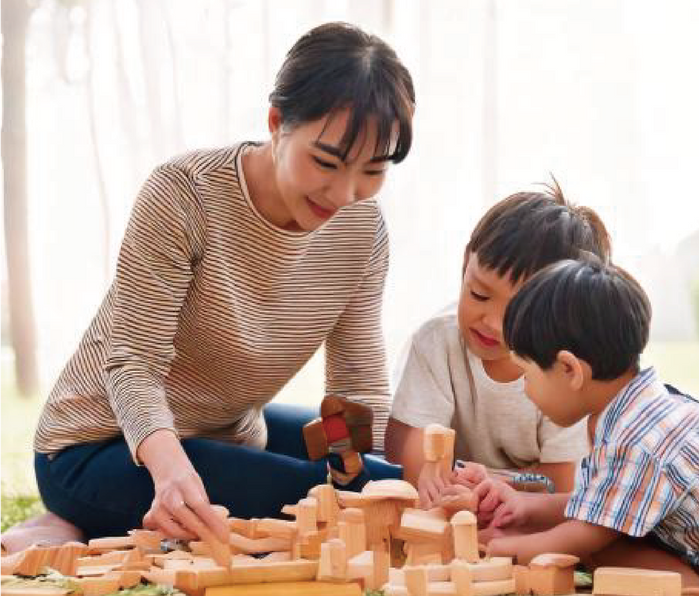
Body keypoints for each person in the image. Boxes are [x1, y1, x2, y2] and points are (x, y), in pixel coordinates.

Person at [0, 22, 415, 554]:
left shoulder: (361, 227)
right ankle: (77, 513)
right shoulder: (185, 193)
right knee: (318, 498)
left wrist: (359, 469)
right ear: (276, 123)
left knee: (382, 481)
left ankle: (77, 525)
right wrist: (172, 474)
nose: (345, 191)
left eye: (373, 170)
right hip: (97, 445)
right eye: (326, 162)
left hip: (229, 430)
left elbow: (357, 381)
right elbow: (133, 362)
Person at [476, 254, 699, 596]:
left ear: (569, 370)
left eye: (527, 372)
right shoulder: (641, 404)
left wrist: (505, 549)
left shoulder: (634, 441)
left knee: (602, 551)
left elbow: (581, 537)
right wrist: (527, 508)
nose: (525, 387)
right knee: (609, 533)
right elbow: (601, 503)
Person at [385, 184, 610, 507]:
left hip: (531, 510)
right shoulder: (437, 343)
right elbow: (407, 449)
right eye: (479, 294)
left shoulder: (563, 371)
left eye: (518, 312)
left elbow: (563, 482)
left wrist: (496, 484)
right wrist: (434, 478)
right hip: (455, 501)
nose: (491, 322)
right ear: (465, 264)